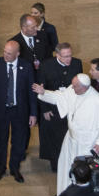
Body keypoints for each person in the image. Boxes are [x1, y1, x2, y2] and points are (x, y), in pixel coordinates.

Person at [33, 74, 99, 196]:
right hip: (71, 139)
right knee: (66, 166)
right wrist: (44, 92)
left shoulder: (97, 102)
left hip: (87, 145)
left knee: (85, 172)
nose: (71, 88)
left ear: (84, 88)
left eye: (75, 86)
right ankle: (66, 194)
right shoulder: (73, 90)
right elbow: (60, 97)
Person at [0, 41, 37, 183]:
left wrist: (33, 113)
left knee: (18, 142)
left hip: (20, 111)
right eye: (4, 52)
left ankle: (14, 168)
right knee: (1, 141)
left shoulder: (26, 66)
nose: (5, 55)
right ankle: (0, 169)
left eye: (9, 53)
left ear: (17, 54)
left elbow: (31, 92)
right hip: (1, 111)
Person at [37, 43, 82, 172]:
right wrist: (45, 109)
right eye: (65, 56)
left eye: (70, 56)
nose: (69, 59)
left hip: (70, 107)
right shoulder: (46, 66)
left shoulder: (77, 63)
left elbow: (79, 86)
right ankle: (56, 164)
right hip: (52, 108)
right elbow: (41, 89)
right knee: (54, 138)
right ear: (57, 55)